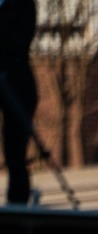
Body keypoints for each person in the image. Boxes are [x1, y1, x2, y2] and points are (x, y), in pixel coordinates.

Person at [0, 0, 34, 207]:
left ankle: (18, 202)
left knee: (15, 148)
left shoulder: (22, 4)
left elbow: (20, 43)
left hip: (16, 84)